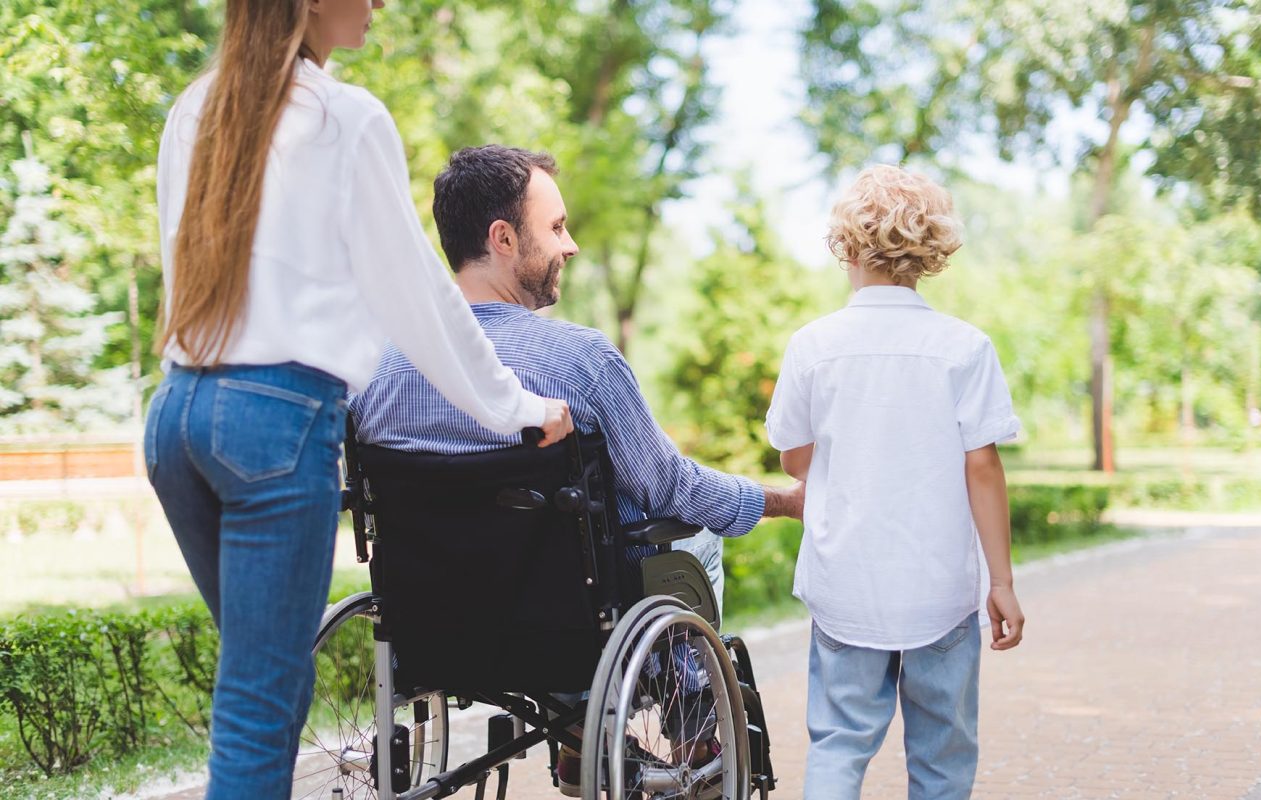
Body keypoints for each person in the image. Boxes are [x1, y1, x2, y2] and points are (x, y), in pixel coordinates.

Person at [145, 3, 573, 798]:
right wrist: (517, 405)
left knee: (257, 679)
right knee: (259, 702)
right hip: (274, 423)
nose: (379, 3)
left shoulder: (193, 108)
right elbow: (417, 293)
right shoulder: (346, 118)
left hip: (176, 417)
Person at [350, 144, 805, 795]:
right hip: (566, 627)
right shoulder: (581, 360)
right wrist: (784, 502)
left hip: (436, 627)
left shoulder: (382, 368)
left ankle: (576, 738)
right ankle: (693, 727)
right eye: (557, 227)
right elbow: (671, 487)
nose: (573, 246)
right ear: (503, 238)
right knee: (694, 530)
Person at [765, 164, 1026, 800]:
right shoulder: (965, 348)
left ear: (845, 246)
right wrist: (1002, 583)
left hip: (846, 586)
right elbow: (983, 469)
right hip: (941, 594)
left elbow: (795, 459)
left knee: (838, 745)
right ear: (930, 251)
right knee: (942, 756)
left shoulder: (813, 346)